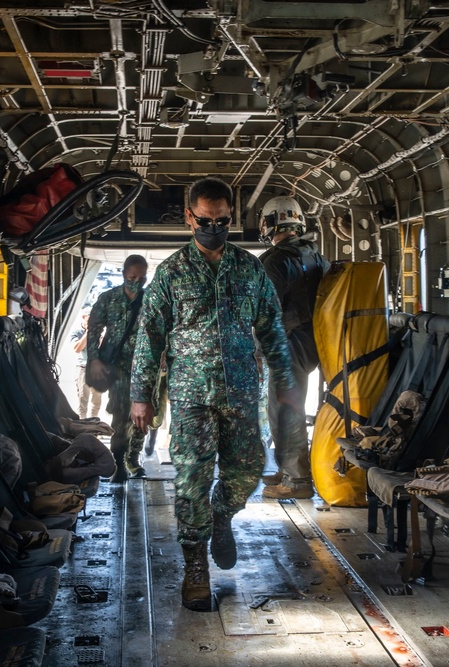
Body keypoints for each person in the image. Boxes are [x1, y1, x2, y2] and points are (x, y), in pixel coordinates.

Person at [129, 176, 302, 612]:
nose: (214, 228)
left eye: (222, 221)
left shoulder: (249, 269)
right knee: (190, 482)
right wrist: (141, 394)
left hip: (242, 392)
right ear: (190, 217)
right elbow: (149, 338)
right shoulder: (171, 274)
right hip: (191, 398)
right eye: (206, 220)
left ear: (232, 218)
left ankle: (221, 514)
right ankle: (195, 569)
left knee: (246, 472)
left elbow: (271, 328)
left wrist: (285, 380)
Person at [257, 195, 330, 500]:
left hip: (287, 344)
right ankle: (290, 469)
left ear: (269, 225)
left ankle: (298, 480)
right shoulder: (315, 254)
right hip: (318, 340)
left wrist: (258, 352)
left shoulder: (274, 261)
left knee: (284, 408)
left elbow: (264, 311)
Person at [87, 254, 149, 482]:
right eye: (133, 276)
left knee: (143, 417)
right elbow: (93, 330)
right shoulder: (108, 299)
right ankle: (119, 462)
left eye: (142, 277)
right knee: (121, 415)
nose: (137, 281)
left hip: (145, 367)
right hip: (119, 367)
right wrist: (94, 359)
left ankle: (133, 459)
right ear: (124, 274)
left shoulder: (151, 299)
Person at [70, 308, 102, 419]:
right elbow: (77, 348)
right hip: (83, 368)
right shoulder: (77, 332)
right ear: (83, 317)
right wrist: (88, 332)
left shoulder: (99, 332)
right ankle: (83, 428)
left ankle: (94, 427)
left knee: (96, 401)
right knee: (83, 400)